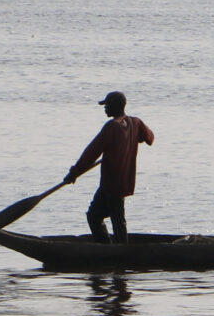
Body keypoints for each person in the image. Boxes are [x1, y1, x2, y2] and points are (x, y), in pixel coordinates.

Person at [63, 91, 155, 242]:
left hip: (111, 183)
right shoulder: (135, 123)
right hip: (124, 182)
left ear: (114, 106)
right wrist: (135, 137)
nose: (104, 109)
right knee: (114, 217)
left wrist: (74, 173)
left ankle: (112, 250)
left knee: (98, 216)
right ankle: (115, 249)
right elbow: (150, 138)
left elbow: (91, 153)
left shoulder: (111, 127)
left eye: (106, 105)